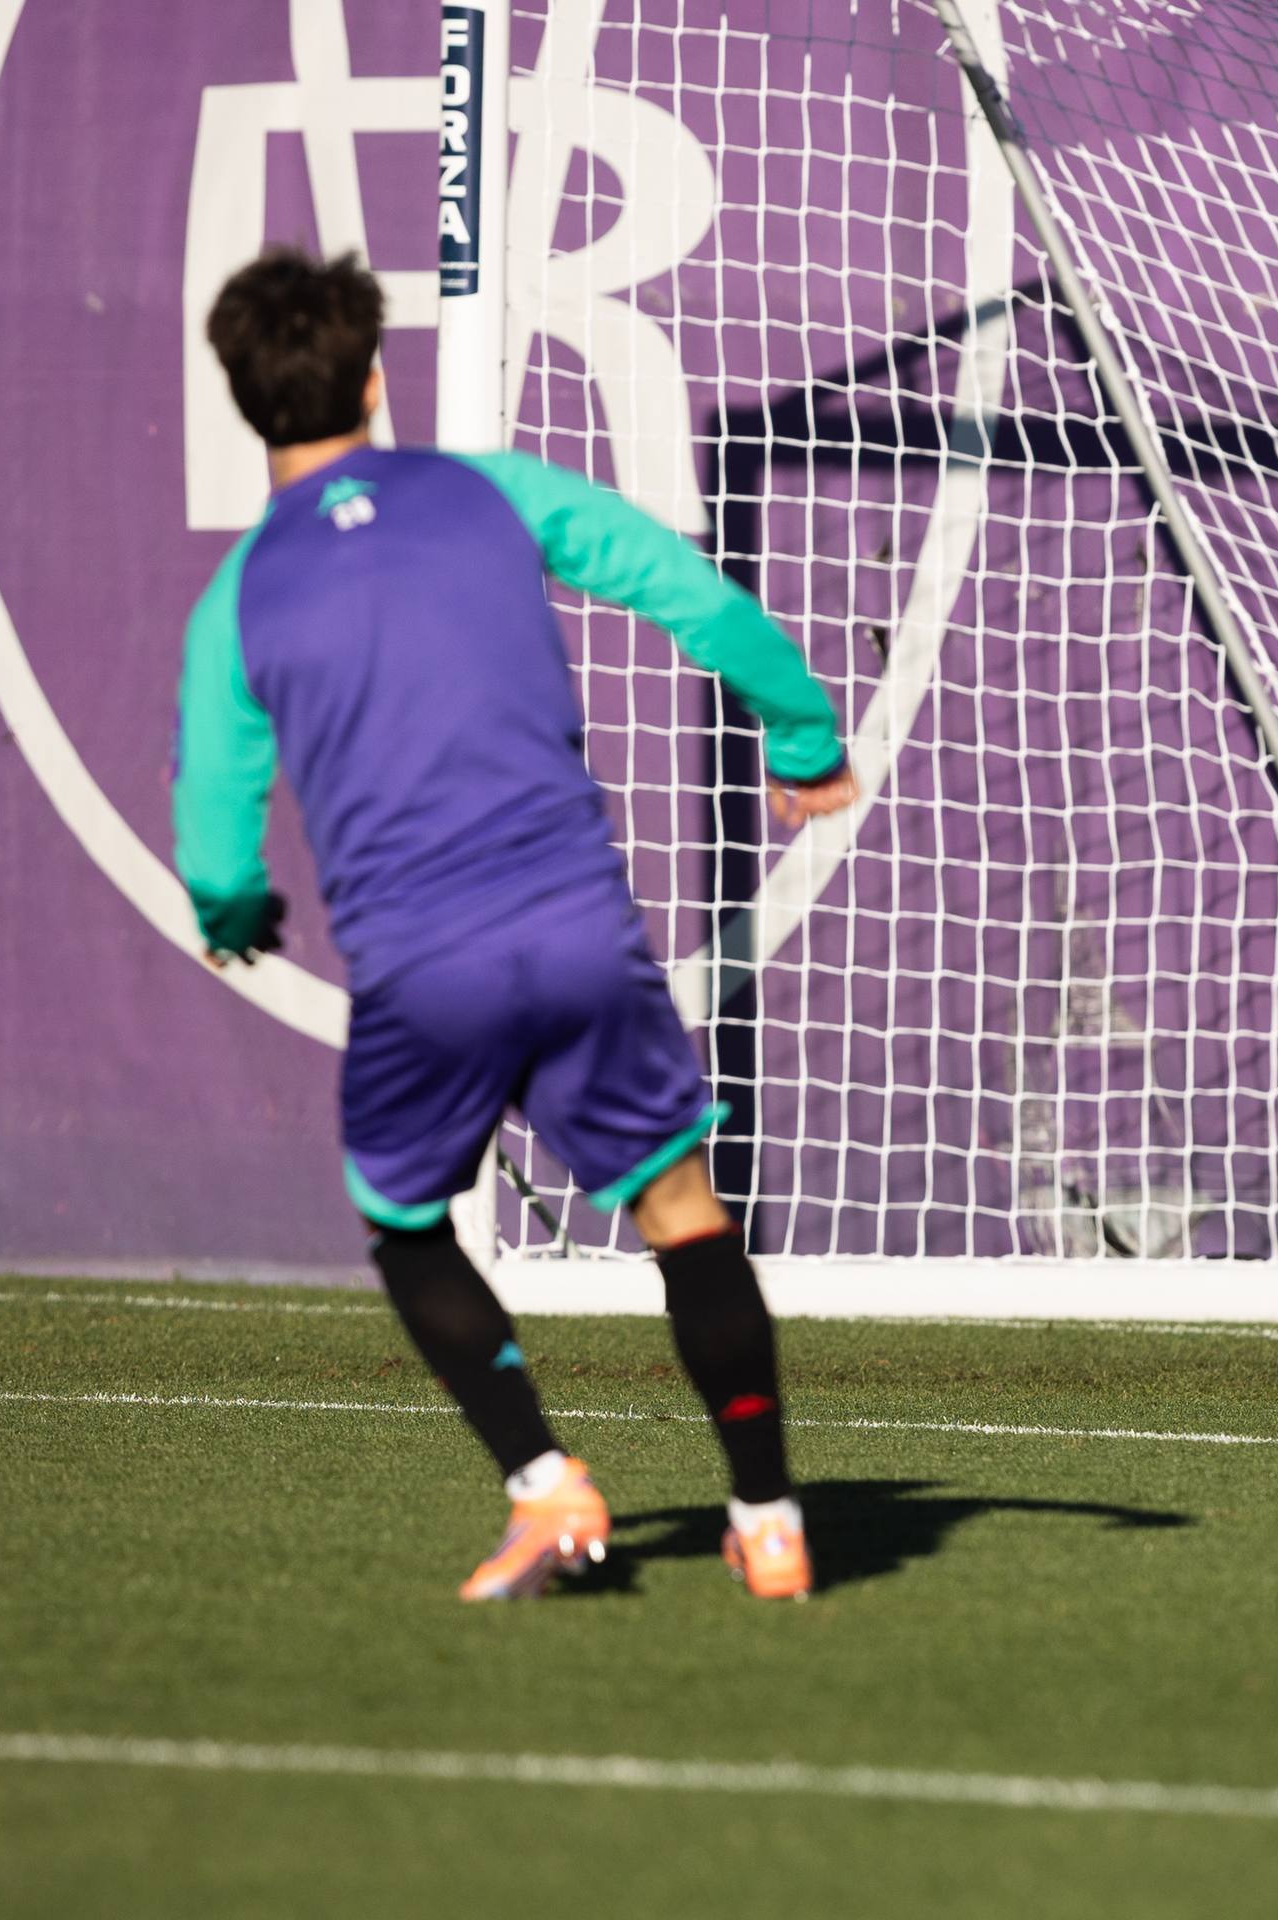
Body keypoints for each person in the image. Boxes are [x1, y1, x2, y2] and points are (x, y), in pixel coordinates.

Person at [175, 247, 858, 1599]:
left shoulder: (237, 602)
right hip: (578, 934)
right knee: (681, 1212)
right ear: (375, 377)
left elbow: (215, 832)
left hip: (424, 975)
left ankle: (547, 1487)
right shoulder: (494, 491)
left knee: (407, 1219)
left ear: (247, 408)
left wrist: (237, 914)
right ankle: (770, 1520)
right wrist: (802, 733)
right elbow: (695, 597)